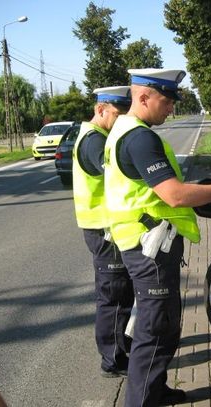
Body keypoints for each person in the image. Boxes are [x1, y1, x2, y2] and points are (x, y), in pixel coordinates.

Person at [103, 68, 211, 407]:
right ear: (143, 98)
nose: (170, 109)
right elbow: (175, 196)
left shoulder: (124, 131)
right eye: (166, 101)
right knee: (154, 331)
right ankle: (143, 400)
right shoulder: (140, 138)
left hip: (143, 244)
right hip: (148, 248)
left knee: (162, 326)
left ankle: (155, 389)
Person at [72, 86, 134, 378]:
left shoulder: (99, 136)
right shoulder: (94, 142)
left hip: (106, 229)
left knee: (119, 292)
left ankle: (120, 342)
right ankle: (112, 359)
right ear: (100, 110)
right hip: (104, 231)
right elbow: (115, 176)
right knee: (114, 297)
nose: (121, 120)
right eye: (118, 114)